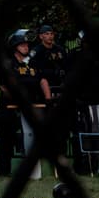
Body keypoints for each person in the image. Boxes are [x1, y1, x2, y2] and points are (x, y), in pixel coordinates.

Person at [0, 29, 51, 177]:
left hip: (33, 107)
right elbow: (5, 87)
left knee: (34, 136)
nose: (26, 47)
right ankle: (4, 171)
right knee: (7, 139)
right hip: (10, 107)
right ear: (15, 47)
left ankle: (32, 171)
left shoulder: (33, 64)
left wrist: (48, 100)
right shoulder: (8, 64)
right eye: (22, 45)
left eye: (27, 45)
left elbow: (43, 80)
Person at [30, 24, 72, 163]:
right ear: (41, 36)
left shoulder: (59, 49)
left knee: (63, 124)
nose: (49, 36)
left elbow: (67, 67)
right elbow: (34, 70)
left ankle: (62, 153)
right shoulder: (37, 51)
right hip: (44, 92)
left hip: (60, 89)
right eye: (46, 34)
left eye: (51, 33)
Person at [68, 29, 99, 176]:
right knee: (81, 134)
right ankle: (82, 166)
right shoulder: (74, 55)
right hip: (80, 100)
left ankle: (98, 166)